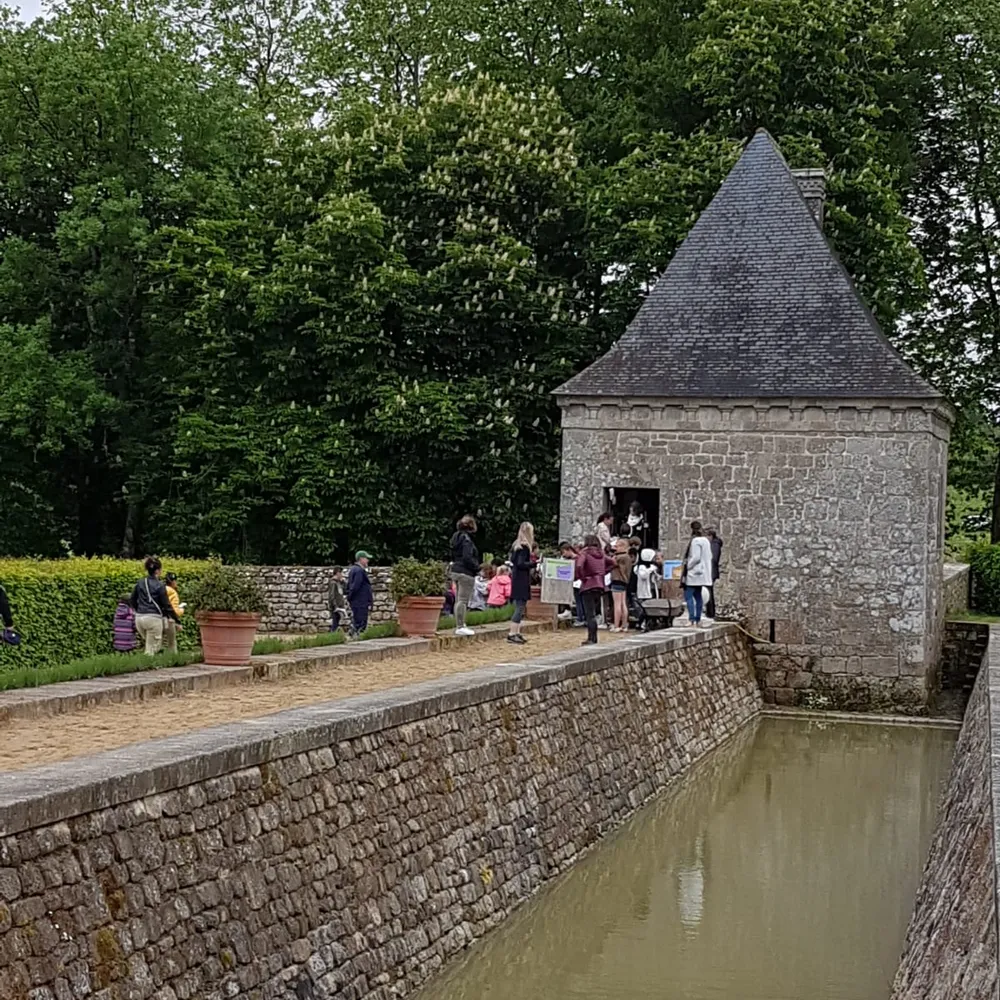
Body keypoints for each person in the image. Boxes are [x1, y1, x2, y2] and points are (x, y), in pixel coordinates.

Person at [128, 556, 181, 655]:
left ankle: (152, 661)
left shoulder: (140, 582)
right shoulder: (160, 585)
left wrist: (138, 609)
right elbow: (166, 605)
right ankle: (149, 663)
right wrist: (177, 621)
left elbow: (132, 600)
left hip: (139, 618)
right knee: (152, 650)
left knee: (150, 645)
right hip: (153, 619)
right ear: (157, 571)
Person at [575, 534, 615, 645]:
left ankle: (591, 638)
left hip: (588, 584)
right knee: (594, 612)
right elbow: (613, 563)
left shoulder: (584, 553)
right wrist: (602, 573)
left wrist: (582, 577)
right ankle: (594, 637)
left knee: (590, 614)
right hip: (600, 585)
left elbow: (579, 566)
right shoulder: (601, 554)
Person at [449, 515, 479, 637]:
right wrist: (476, 567)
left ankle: (460, 624)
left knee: (458, 599)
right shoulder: (467, 539)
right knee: (463, 600)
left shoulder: (455, 538)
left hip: (456, 570)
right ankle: (460, 626)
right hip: (466, 572)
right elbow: (467, 557)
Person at [507, 522, 534, 645]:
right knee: (520, 607)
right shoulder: (524, 547)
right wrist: (533, 563)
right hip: (522, 579)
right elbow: (521, 563)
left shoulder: (516, 546)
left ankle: (516, 632)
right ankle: (512, 633)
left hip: (517, 578)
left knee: (520, 606)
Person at [682, 522, 714, 628]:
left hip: (694, 573)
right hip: (702, 574)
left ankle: (691, 619)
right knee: (698, 596)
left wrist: (688, 566)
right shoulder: (706, 541)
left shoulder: (696, 541)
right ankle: (698, 619)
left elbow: (696, 557)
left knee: (688, 596)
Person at [347, 551, 374, 635]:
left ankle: (354, 635)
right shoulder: (359, 571)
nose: (368, 560)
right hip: (360, 602)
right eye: (366, 558)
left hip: (357, 602)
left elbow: (349, 585)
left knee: (356, 621)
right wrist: (350, 596)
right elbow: (355, 586)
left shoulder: (353, 569)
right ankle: (357, 637)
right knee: (360, 624)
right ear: (361, 559)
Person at [635, 549, 661, 631]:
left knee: (651, 608)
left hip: (652, 589)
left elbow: (655, 578)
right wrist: (651, 569)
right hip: (644, 591)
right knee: (646, 609)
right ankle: (640, 623)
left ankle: (650, 623)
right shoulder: (641, 567)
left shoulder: (651, 566)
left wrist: (657, 575)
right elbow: (643, 576)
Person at [610, 538, 632, 632]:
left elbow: (612, 563)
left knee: (617, 604)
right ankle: (624, 625)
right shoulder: (628, 557)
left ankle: (616, 625)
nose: (615, 548)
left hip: (617, 579)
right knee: (623, 604)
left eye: (617, 546)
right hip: (624, 581)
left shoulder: (619, 557)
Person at [162, 573, 185, 653]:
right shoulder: (173, 592)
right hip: (170, 619)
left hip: (158, 618)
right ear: (173, 582)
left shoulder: (161, 589)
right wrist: (181, 610)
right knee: (172, 643)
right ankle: (172, 658)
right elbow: (174, 610)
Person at [705, 528, 724, 620]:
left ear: (710, 536)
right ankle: (709, 612)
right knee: (708, 591)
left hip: (711, 571)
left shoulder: (715, 544)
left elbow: (713, 559)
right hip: (710, 571)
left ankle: (710, 612)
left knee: (708, 591)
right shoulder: (713, 544)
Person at [328, 567, 349, 633]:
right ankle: (332, 635)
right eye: (341, 573)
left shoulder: (338, 582)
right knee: (335, 622)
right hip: (336, 606)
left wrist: (343, 582)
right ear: (338, 573)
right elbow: (332, 595)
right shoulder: (333, 583)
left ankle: (334, 634)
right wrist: (335, 606)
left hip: (339, 605)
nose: (342, 575)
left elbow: (344, 591)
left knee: (336, 622)